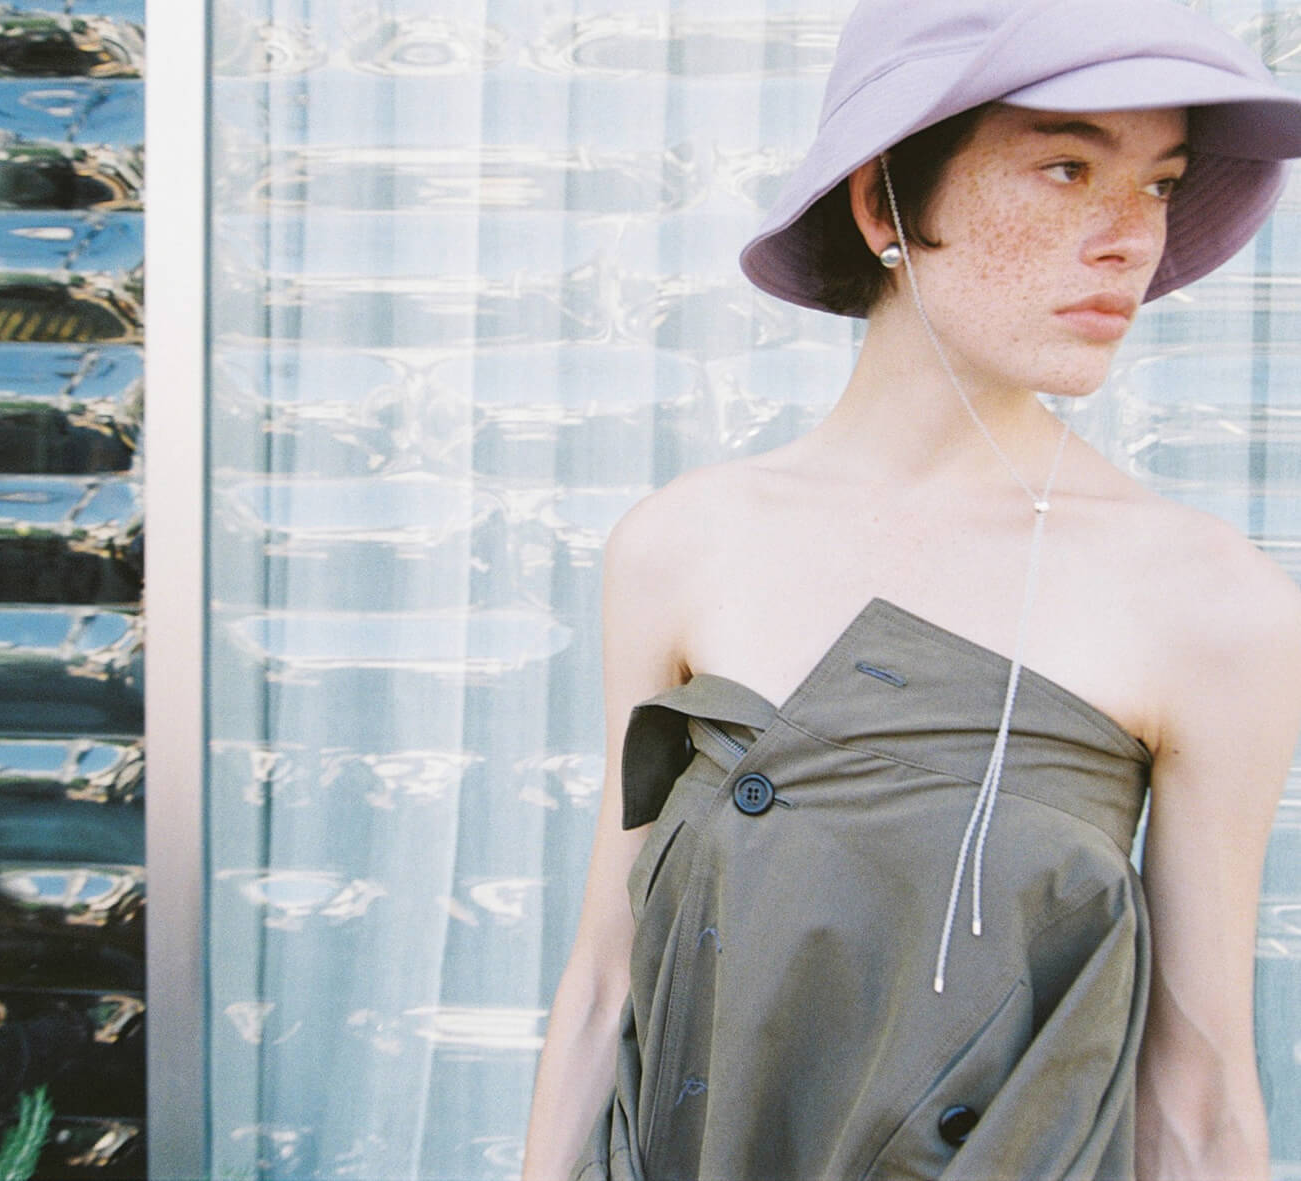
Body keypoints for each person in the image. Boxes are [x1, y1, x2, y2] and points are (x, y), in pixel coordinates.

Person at [521, 1, 1301, 1178]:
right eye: (1066, 167)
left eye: (1159, 183)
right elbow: (603, 980)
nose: (1129, 239)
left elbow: (1195, 1088)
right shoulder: (682, 543)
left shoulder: (1209, 603)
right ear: (885, 204)